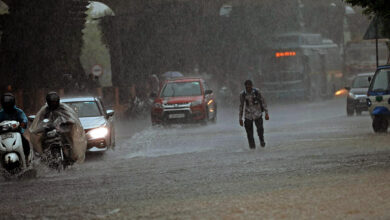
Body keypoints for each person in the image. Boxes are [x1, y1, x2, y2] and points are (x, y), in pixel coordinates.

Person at [29, 92, 87, 164]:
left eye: (54, 102)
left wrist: (66, 123)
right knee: (37, 139)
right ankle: (41, 156)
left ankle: (73, 155)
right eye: (51, 102)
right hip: (48, 130)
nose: (53, 104)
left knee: (72, 138)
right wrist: (42, 126)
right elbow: (40, 121)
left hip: (62, 129)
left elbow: (71, 118)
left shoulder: (64, 109)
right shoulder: (44, 110)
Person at [0, 93, 31, 161]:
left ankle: (27, 159)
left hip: (17, 133)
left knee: (25, 142)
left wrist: (23, 123)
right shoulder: (1, 113)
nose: (7, 105)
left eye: (9, 104)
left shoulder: (18, 111)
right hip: (2, 135)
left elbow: (24, 118)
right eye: (6, 104)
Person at [239, 80, 269, 149]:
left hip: (257, 113)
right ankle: (252, 148)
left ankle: (262, 141)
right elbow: (241, 106)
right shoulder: (243, 94)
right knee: (249, 134)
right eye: (247, 87)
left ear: (252, 86)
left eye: (249, 86)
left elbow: (263, 101)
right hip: (248, 115)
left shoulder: (257, 92)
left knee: (260, 129)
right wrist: (240, 118)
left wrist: (266, 113)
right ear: (245, 87)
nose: (248, 88)